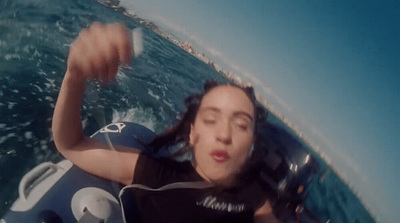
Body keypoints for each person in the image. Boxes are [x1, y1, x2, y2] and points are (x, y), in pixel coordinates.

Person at [52, 22, 280, 223]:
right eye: (211, 119)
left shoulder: (253, 193)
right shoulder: (156, 176)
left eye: (241, 125)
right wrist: (75, 76)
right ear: (192, 135)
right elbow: (71, 145)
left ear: (251, 145)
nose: (224, 135)